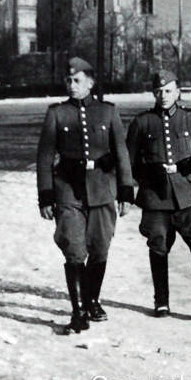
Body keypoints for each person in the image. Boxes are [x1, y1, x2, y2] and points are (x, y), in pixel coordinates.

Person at [36, 57, 134, 333]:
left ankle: (92, 300)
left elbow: (122, 153)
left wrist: (126, 190)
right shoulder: (56, 113)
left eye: (77, 80)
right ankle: (78, 312)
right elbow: (44, 157)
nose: (72, 85)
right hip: (68, 189)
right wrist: (45, 195)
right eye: (68, 80)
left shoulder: (108, 112)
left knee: (100, 247)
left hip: (102, 189)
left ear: (90, 83)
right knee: (74, 249)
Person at [126, 69, 191, 318]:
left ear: (178, 92)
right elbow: (129, 160)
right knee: (158, 243)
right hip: (155, 197)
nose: (163, 95)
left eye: (168, 90)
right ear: (153, 92)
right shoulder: (142, 123)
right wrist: (148, 176)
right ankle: (161, 301)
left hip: (187, 194)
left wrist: (186, 167)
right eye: (159, 91)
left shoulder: (190, 119)